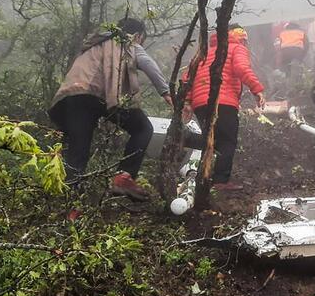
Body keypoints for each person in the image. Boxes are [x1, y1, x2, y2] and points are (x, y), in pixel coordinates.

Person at [49, 17, 171, 206]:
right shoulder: (126, 41)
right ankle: (123, 177)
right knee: (143, 128)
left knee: (77, 151)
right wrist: (167, 93)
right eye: (142, 40)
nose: (140, 44)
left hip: (71, 96)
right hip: (95, 95)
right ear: (137, 36)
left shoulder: (94, 44)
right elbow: (148, 65)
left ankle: (68, 205)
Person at [182, 24, 265, 191]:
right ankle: (220, 181)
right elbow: (241, 68)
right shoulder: (236, 48)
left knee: (213, 140)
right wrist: (257, 89)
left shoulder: (204, 52)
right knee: (227, 141)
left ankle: (185, 139)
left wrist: (188, 102)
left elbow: (187, 77)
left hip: (200, 103)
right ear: (241, 36)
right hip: (224, 101)